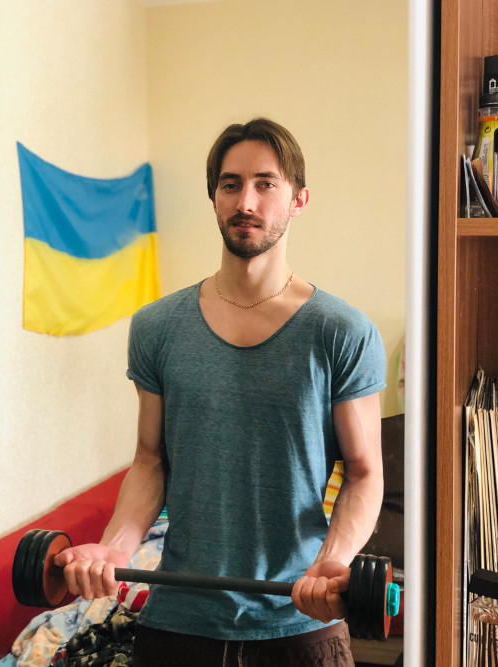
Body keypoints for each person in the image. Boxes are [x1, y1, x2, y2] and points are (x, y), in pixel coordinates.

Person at [55, 118, 386, 666]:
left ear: (299, 200)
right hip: (179, 623)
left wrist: (332, 561)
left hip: (298, 620)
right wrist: (114, 548)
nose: (246, 201)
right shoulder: (158, 327)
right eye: (230, 185)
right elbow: (149, 461)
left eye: (266, 184)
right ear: (214, 198)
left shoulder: (342, 332)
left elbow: (364, 472)